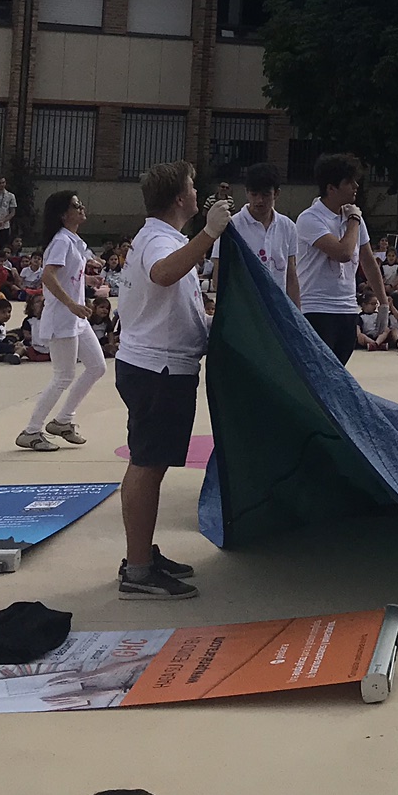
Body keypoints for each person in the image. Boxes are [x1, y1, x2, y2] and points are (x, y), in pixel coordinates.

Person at [116, 160, 232, 599]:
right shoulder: (159, 240)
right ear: (180, 198)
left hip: (158, 366)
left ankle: (140, 552)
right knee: (147, 465)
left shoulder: (162, 238)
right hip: (157, 370)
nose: (198, 194)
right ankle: (139, 572)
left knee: (149, 463)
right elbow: (164, 273)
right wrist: (210, 235)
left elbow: (176, 301)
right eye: (192, 186)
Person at [17, 190, 107, 451]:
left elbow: (67, 274)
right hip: (63, 318)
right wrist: (72, 304)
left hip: (76, 318)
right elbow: (48, 276)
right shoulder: (61, 241)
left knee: (96, 366)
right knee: (63, 376)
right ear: (63, 214)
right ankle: (31, 431)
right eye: (76, 206)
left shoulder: (73, 240)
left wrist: (87, 281)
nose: (81, 209)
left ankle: (63, 420)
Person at [294, 153, 384, 365]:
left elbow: (368, 261)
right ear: (331, 188)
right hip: (317, 309)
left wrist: (385, 302)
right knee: (319, 374)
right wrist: (353, 221)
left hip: (347, 308)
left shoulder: (353, 216)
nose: (355, 186)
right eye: (348, 182)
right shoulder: (310, 218)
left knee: (338, 373)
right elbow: (343, 253)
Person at [228, 163, 302, 308]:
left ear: (277, 193)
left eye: (266, 194)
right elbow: (221, 275)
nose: (259, 200)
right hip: (245, 308)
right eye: (254, 194)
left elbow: (291, 276)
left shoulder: (288, 227)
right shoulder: (232, 226)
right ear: (246, 192)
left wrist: (297, 314)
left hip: (278, 308)